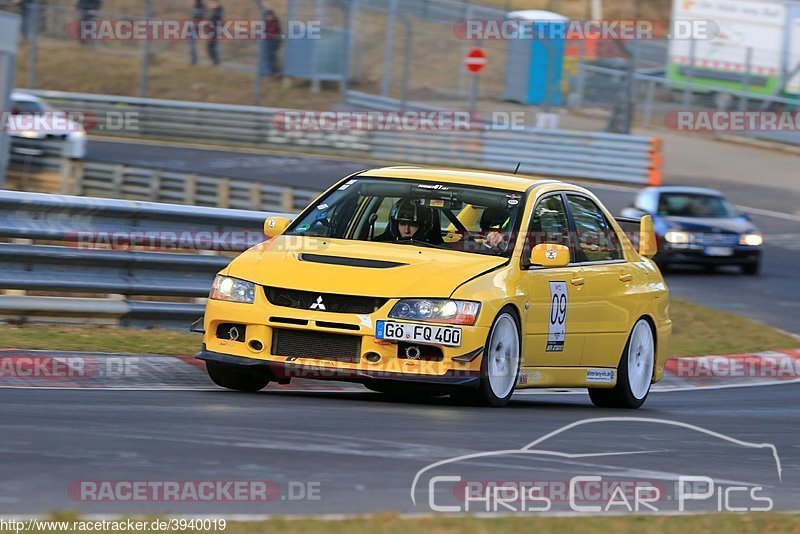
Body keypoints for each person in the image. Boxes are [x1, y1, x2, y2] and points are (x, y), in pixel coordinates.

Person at [375, 199, 443, 245]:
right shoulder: (378, 246)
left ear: (423, 227)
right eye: (402, 223)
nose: (406, 231)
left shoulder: (437, 252)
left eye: (413, 225)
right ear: (395, 225)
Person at [262, 4, 283, 76]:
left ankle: (275, 71)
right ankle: (272, 70)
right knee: (270, 55)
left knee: (271, 54)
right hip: (270, 39)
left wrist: (269, 9)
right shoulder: (266, 19)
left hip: (274, 40)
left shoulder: (274, 19)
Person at [188, 0, 205, 65]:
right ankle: (194, 60)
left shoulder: (200, 6)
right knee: (191, 44)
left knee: (192, 44)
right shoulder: (195, 6)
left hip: (195, 28)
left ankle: (194, 61)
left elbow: (201, 19)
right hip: (192, 28)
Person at [207, 0, 223, 65]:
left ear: (215, 3)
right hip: (213, 31)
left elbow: (216, 21)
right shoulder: (216, 11)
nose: (210, 5)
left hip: (215, 32)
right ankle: (216, 61)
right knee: (211, 47)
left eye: (211, 3)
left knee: (211, 47)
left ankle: (216, 62)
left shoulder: (218, 11)